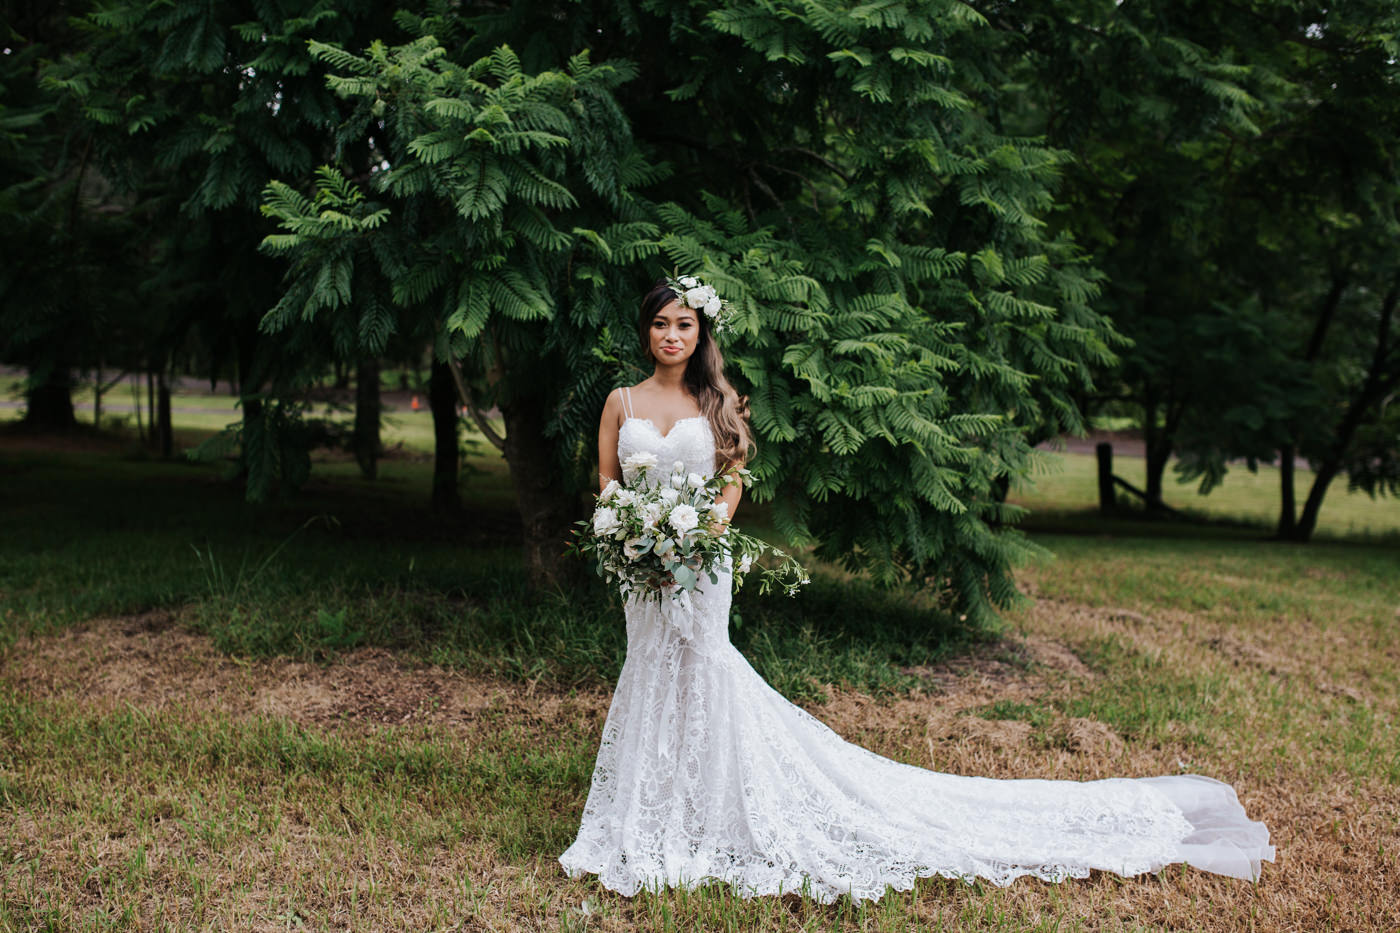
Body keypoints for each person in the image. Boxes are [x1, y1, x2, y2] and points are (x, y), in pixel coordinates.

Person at [558, 277, 1274, 903]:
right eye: (661, 323)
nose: (672, 334)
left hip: (702, 562)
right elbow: (607, 482)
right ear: (645, 330)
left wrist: (708, 529)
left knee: (704, 668)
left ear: (701, 331)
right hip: (642, 569)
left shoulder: (718, 398)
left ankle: (711, 814)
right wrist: (628, 535)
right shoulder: (621, 400)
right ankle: (646, 816)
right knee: (650, 668)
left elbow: (736, 474)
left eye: (684, 323)